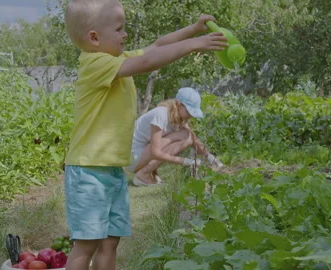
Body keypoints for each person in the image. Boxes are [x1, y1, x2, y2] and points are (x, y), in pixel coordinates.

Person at [62, 0, 228, 269]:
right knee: (87, 243)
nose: (125, 34)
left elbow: (157, 47)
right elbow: (149, 60)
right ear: (94, 37)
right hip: (88, 172)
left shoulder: (117, 59)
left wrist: (193, 29)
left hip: (113, 170)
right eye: (119, 29)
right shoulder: (95, 64)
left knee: (110, 241)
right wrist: (196, 45)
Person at [125, 87, 224, 186]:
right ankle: (143, 175)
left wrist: (209, 157)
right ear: (178, 104)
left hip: (141, 154)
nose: (191, 115)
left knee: (188, 136)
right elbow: (156, 152)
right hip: (132, 157)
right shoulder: (161, 114)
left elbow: (193, 138)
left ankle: (148, 174)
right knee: (184, 136)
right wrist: (186, 161)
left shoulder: (177, 117)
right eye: (189, 111)